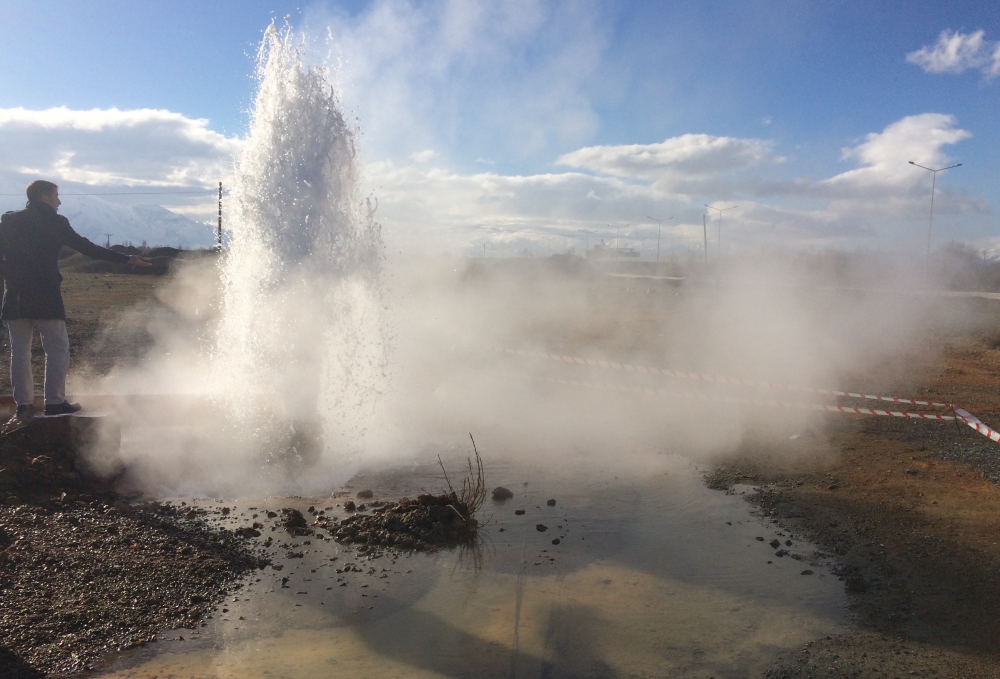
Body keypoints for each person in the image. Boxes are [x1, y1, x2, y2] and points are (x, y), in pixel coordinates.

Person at [0, 180, 151, 429]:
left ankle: (24, 406)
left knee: (19, 351)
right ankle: (55, 403)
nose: (59, 202)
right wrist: (124, 259)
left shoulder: (9, 221)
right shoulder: (55, 222)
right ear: (45, 197)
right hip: (45, 295)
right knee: (57, 348)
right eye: (56, 196)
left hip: (14, 296)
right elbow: (86, 248)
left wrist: (10, 277)